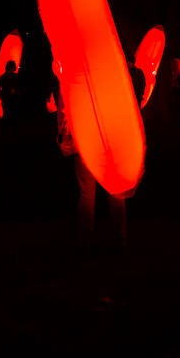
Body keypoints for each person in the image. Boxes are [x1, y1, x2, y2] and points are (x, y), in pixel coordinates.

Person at [54, 75, 128, 251]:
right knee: (115, 191)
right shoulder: (107, 75)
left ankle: (86, 239)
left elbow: (63, 112)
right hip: (107, 141)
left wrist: (66, 138)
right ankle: (120, 237)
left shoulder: (72, 81)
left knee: (87, 192)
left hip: (85, 142)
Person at [0, 59, 21, 136]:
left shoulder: (15, 76)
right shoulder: (3, 77)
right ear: (10, 67)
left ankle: (13, 131)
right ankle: (6, 132)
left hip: (14, 99)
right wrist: (2, 96)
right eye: (14, 66)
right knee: (7, 115)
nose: (15, 67)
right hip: (7, 99)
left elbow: (20, 86)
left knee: (14, 115)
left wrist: (17, 92)